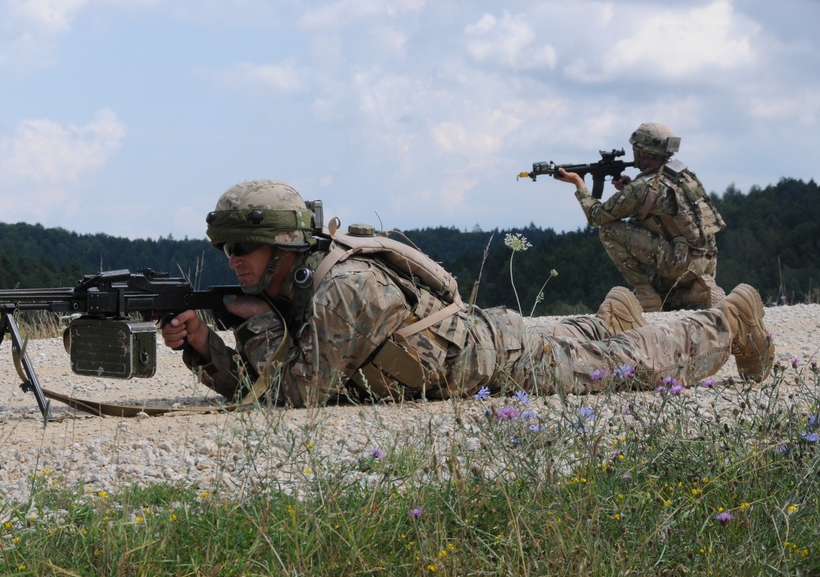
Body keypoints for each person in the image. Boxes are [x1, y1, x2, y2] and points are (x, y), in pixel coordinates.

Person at [160, 179, 772, 408]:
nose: (232, 261)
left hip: (494, 365)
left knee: (628, 369)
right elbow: (264, 383)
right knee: (572, 341)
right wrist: (203, 345)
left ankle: (729, 323)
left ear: (286, 246)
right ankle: (606, 320)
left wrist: (257, 326)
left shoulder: (340, 291)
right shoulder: (301, 277)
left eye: (243, 248)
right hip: (480, 339)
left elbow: (294, 396)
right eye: (226, 250)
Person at [556, 123, 726, 312]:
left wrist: (579, 184)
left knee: (609, 230)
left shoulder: (642, 187)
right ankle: (698, 290)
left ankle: (646, 295)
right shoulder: (683, 175)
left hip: (680, 263)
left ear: (643, 153)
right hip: (706, 261)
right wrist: (630, 187)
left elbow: (597, 217)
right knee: (664, 298)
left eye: (635, 150)